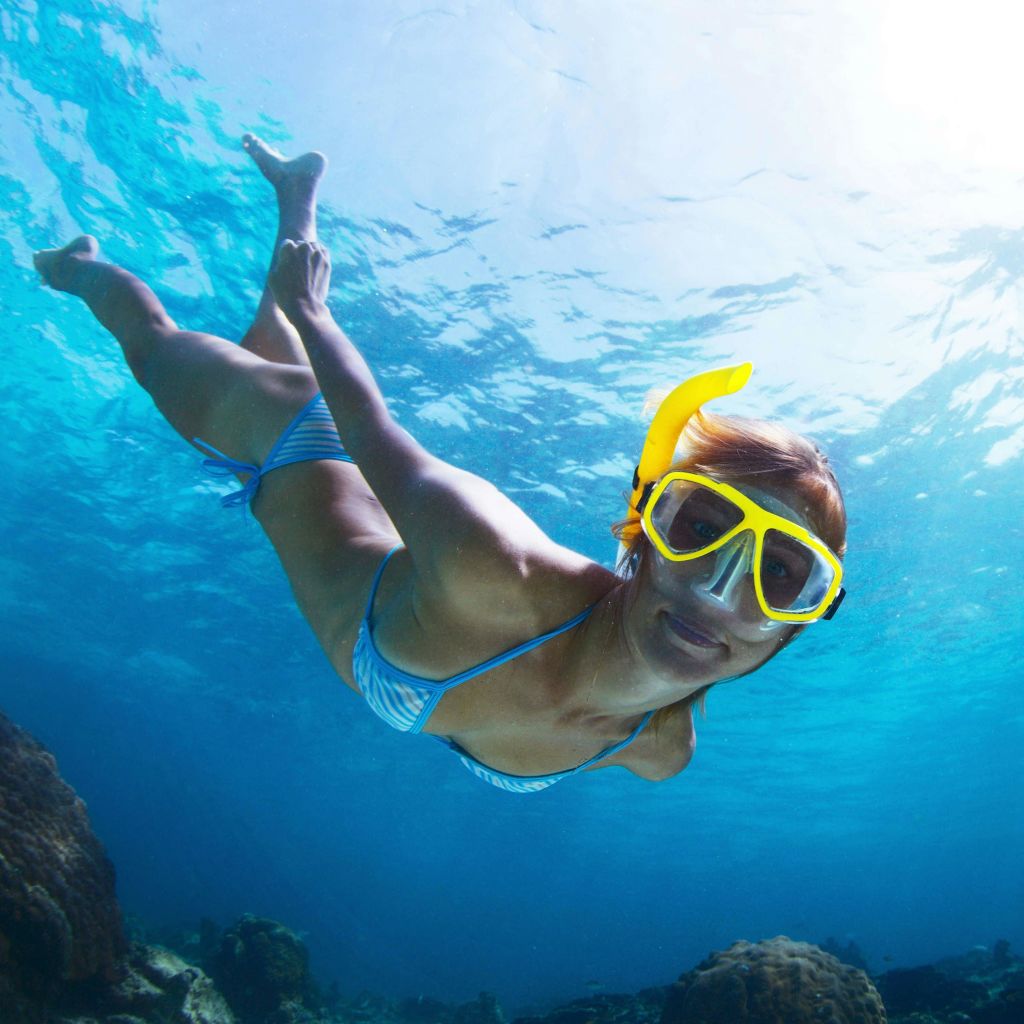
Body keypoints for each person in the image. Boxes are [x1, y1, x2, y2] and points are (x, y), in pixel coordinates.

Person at [33, 135, 847, 793]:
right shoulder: (493, 566)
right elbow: (370, 429)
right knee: (154, 351)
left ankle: (295, 200)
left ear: (798, 626)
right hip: (295, 437)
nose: (718, 588)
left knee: (259, 347)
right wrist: (312, 312)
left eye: (783, 575)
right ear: (640, 531)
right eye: (700, 529)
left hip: (369, 522)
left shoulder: (657, 750)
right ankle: (76, 267)